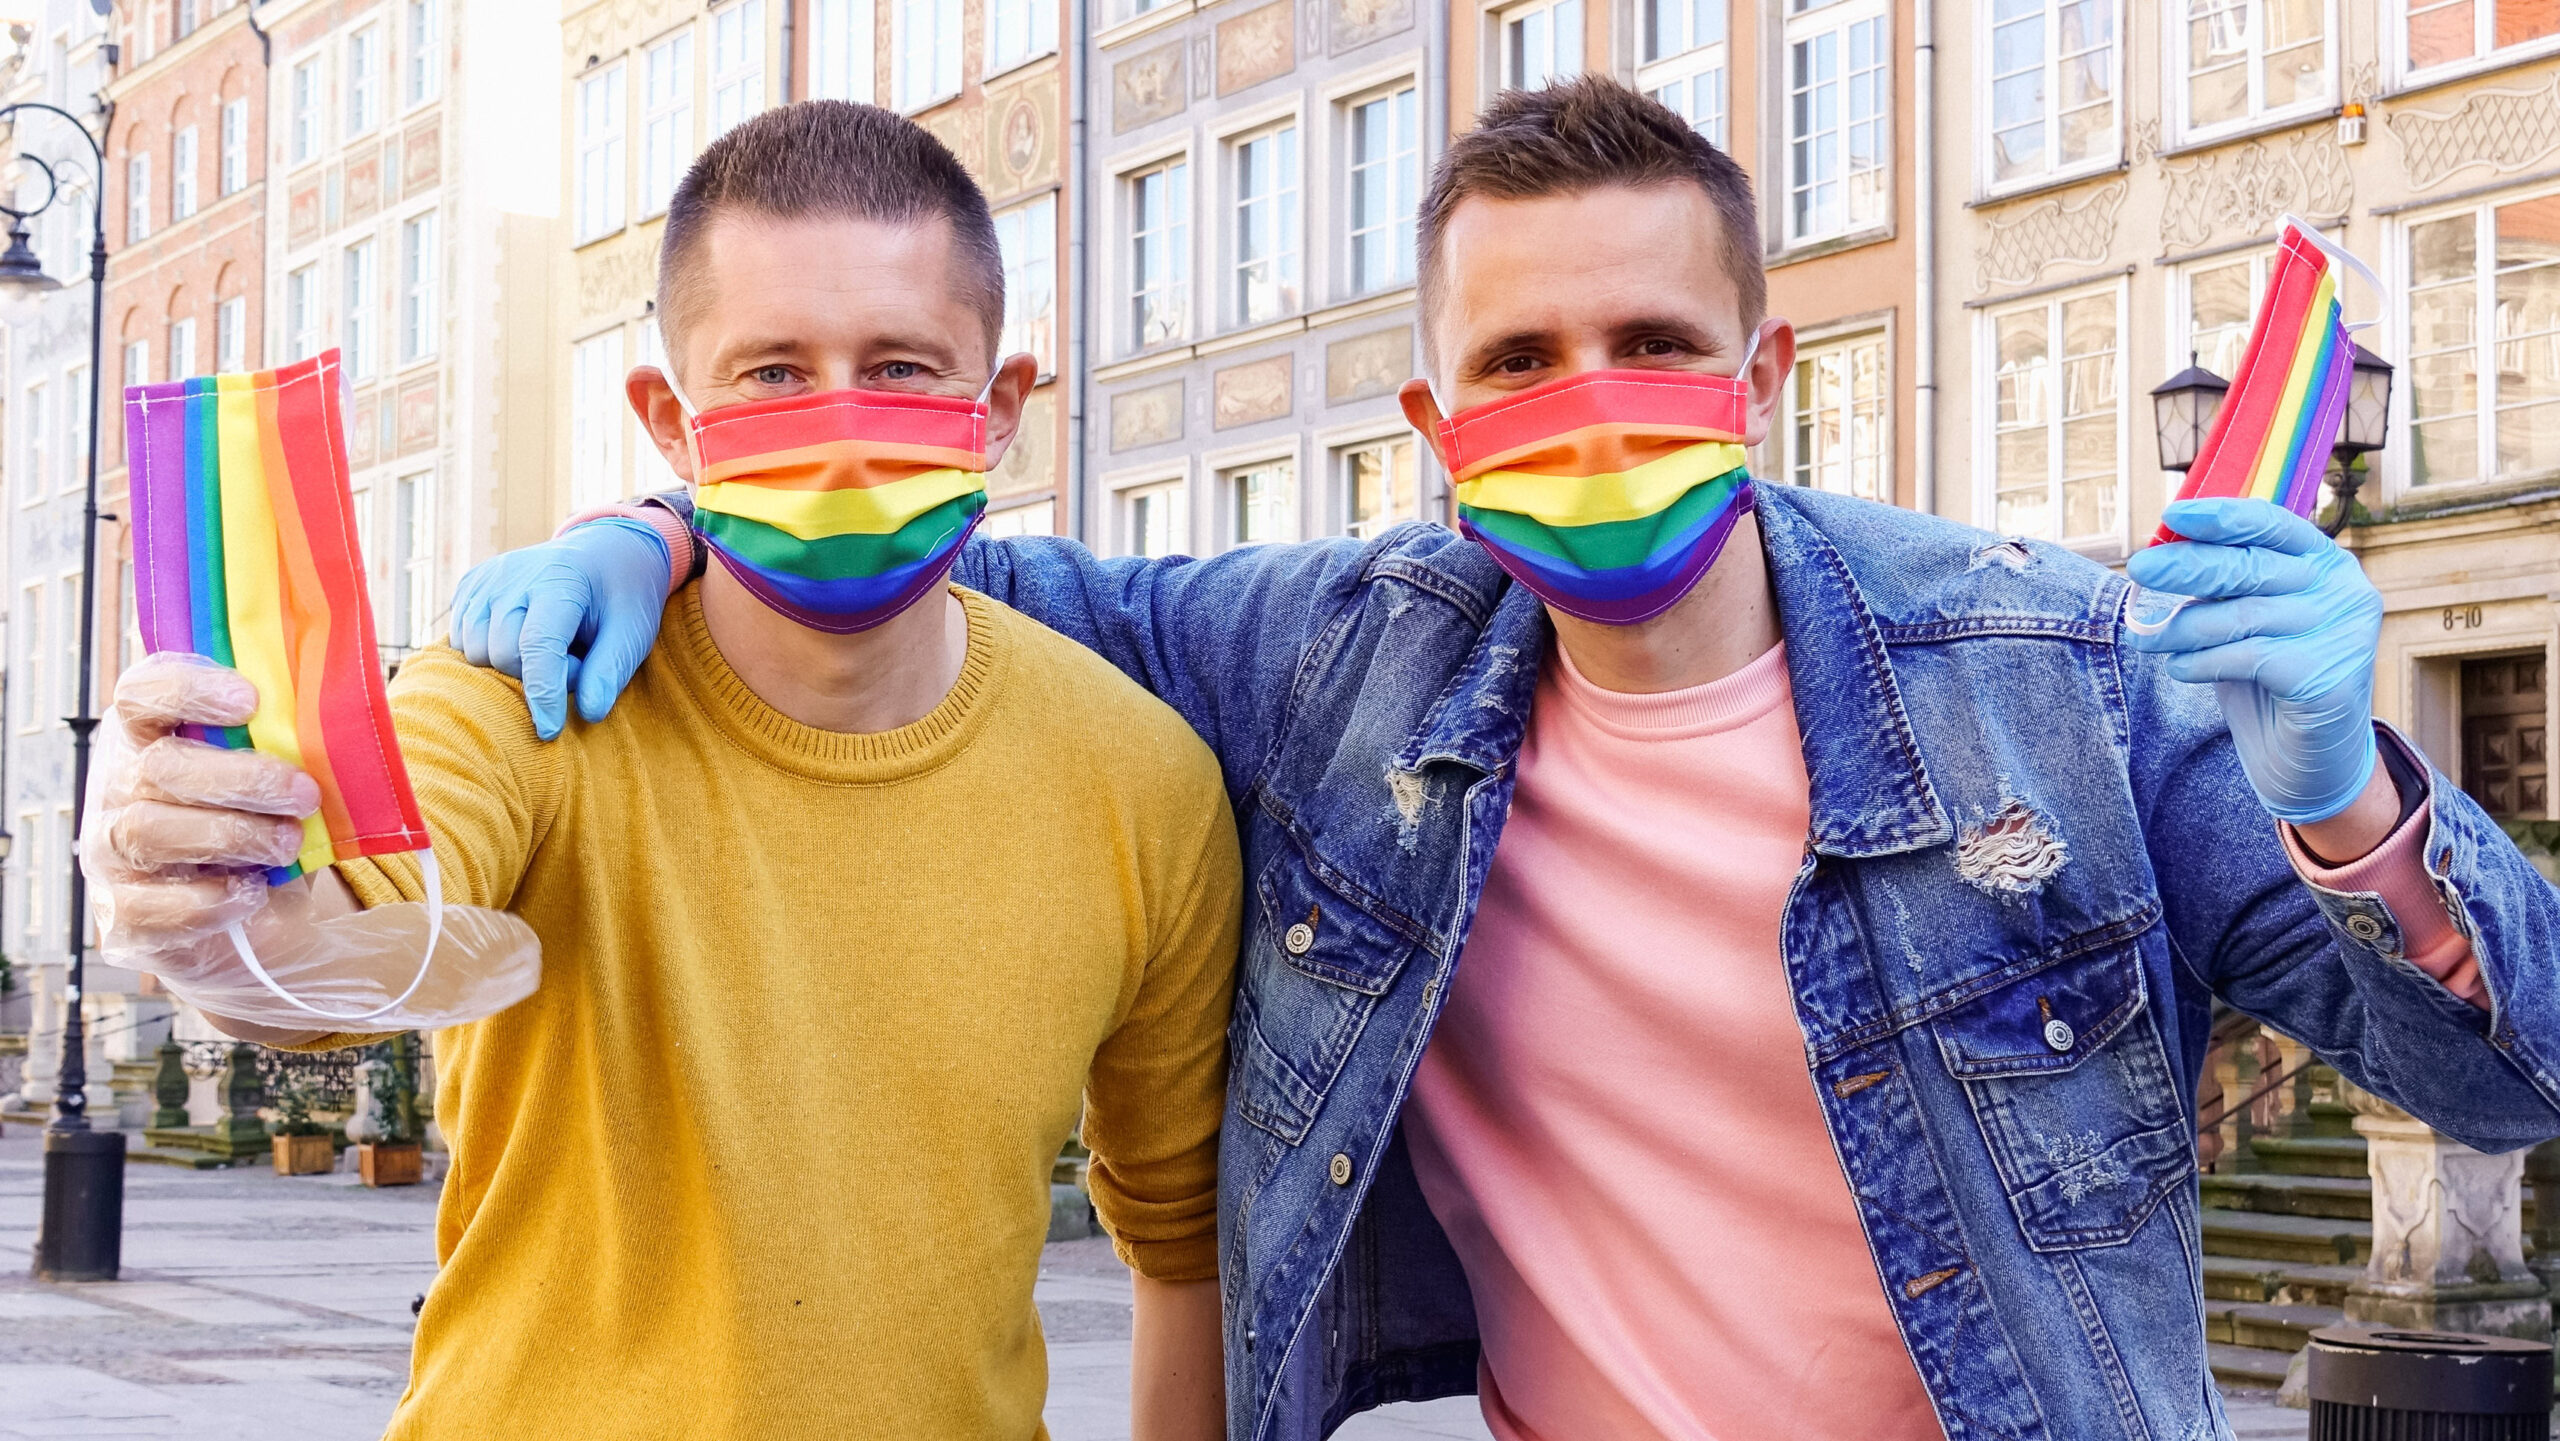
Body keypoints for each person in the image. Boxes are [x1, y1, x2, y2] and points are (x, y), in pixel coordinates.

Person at [453, 80, 2560, 1441]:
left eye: (1651, 346)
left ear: (1761, 369)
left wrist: (2344, 798)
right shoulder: (1332, 659)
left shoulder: (2055, 669)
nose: (1591, 403)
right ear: (1431, 421)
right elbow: (925, 542)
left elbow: (2502, 1072)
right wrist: (645, 528)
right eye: (1520, 363)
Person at [82, 102, 1237, 1441]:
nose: (841, 426)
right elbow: (335, 942)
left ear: (1005, 406)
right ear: (669, 425)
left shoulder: (1141, 778)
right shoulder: (525, 689)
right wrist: (212, 891)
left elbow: (1179, 1233)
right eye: (772, 373)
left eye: (905, 367)